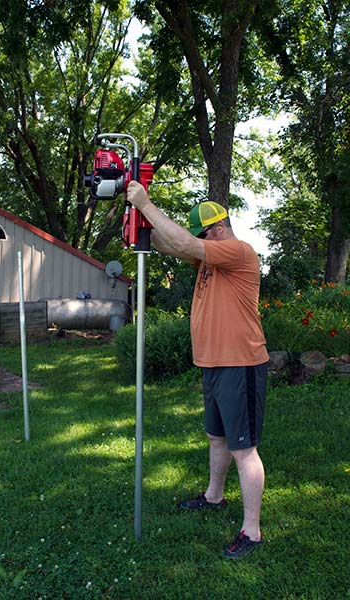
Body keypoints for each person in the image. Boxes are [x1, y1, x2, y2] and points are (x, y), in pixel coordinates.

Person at [126, 181, 269, 560]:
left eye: (203, 235)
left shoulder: (238, 252)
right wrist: (137, 220)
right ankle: (214, 497)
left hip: (241, 363)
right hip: (214, 364)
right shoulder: (209, 257)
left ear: (217, 229)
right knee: (217, 438)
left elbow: (186, 244)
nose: (198, 242)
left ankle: (251, 532)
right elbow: (170, 244)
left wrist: (146, 201)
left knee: (245, 449)